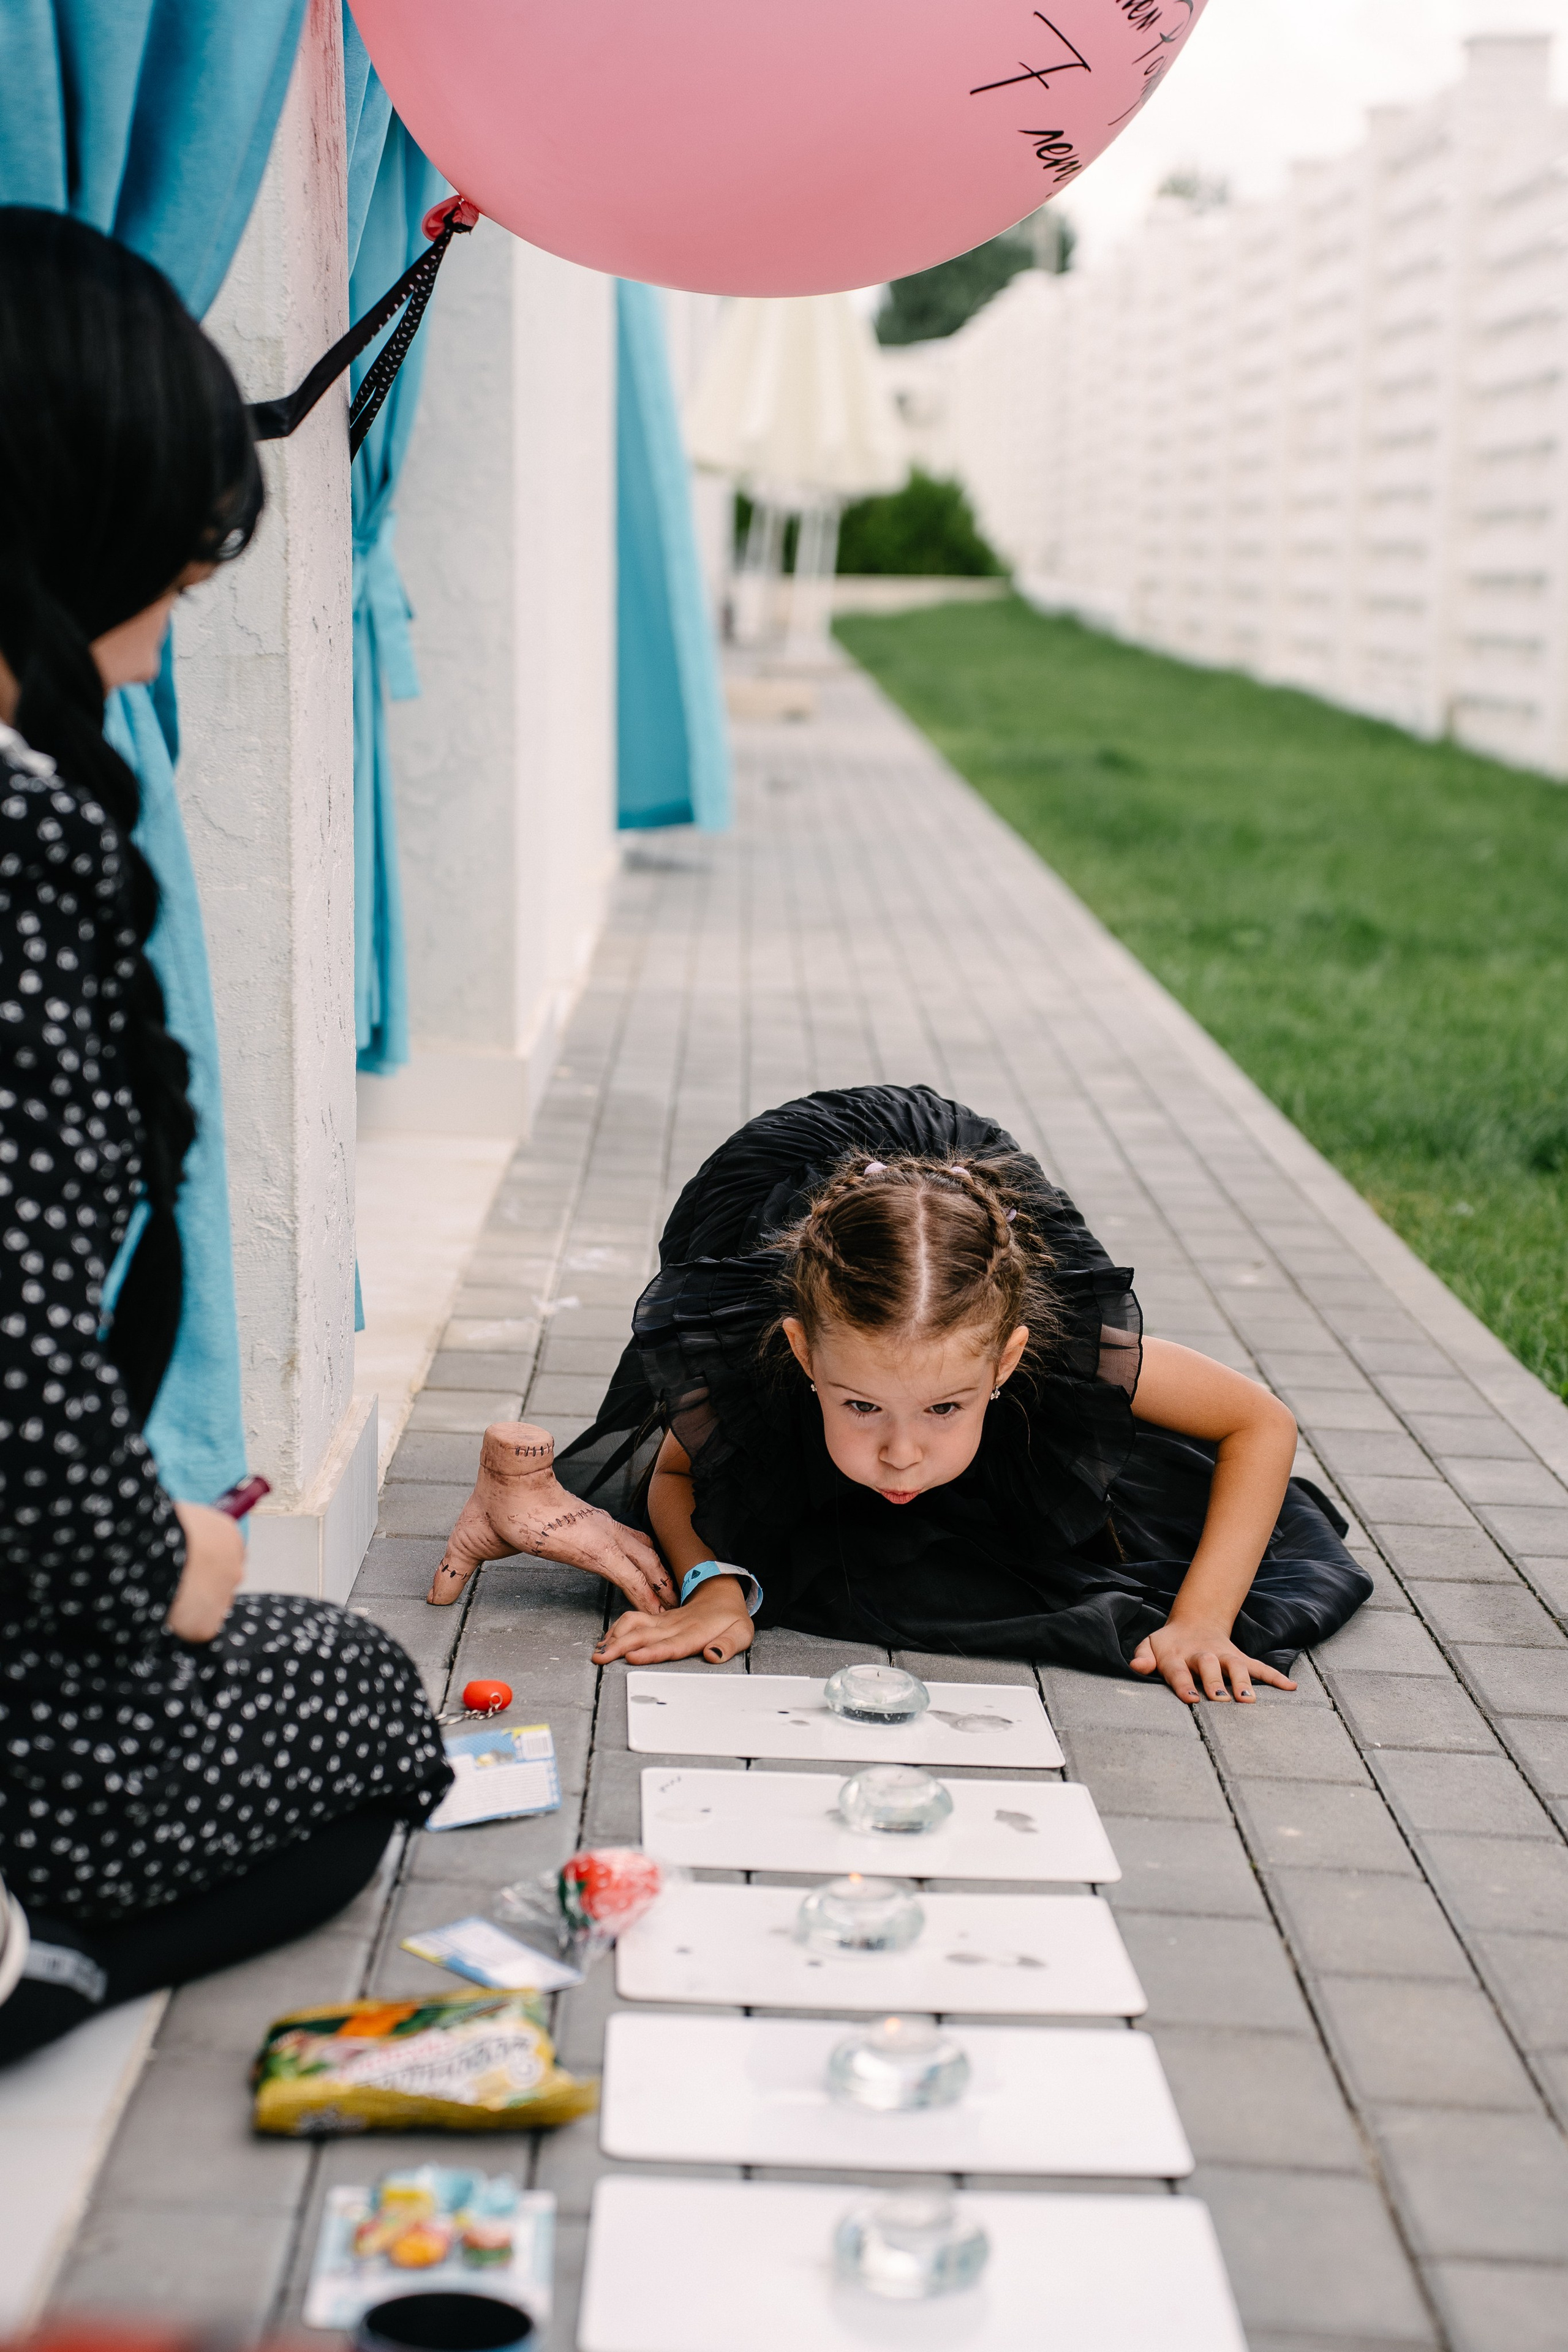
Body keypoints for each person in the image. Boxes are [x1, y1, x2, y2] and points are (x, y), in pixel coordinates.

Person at [0, 210, 450, 2065]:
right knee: (362, 1704)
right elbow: (15, 1361)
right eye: (179, 568)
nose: (173, 622)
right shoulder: (21, 845)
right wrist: (164, 1562)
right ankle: (51, 1952)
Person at [430, 1084, 1372, 1705]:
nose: (901, 1454)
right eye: (862, 1407)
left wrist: (1199, 1619)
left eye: (946, 1409)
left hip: (947, 1208)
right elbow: (676, 1480)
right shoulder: (768, 1356)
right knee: (775, 1499)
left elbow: (1260, 1420)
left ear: (1004, 1367)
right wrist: (714, 1587)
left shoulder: (1056, 1350)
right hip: (774, 1189)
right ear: (804, 1358)